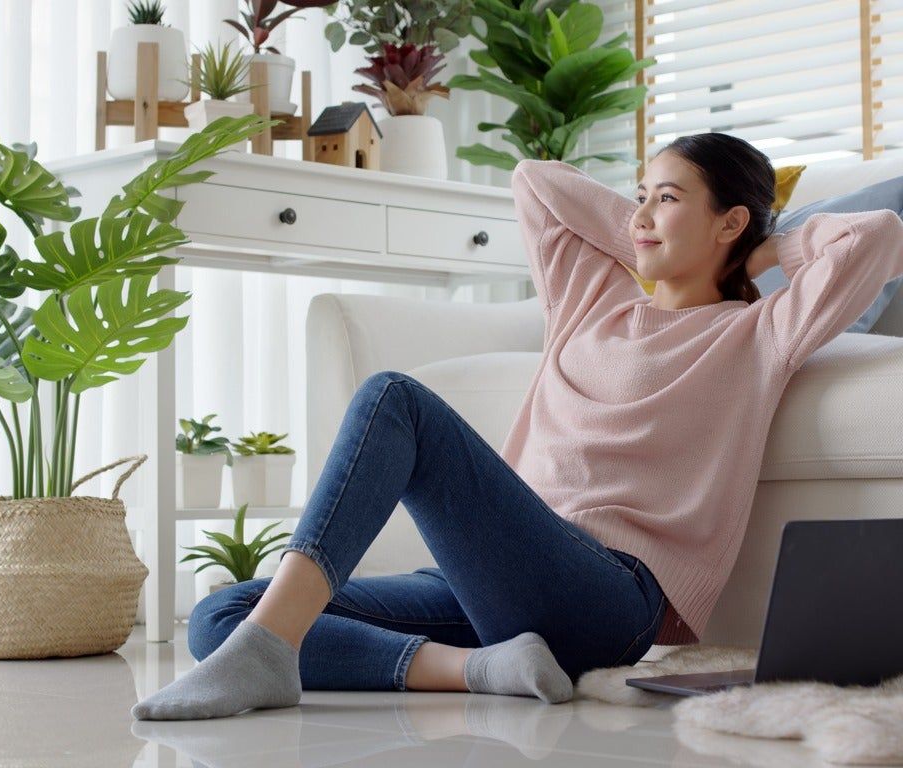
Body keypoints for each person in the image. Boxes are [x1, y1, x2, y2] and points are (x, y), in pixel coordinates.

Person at [132, 132, 903, 721]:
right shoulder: (591, 302)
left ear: (729, 220)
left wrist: (767, 244)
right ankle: (479, 669)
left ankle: (273, 655)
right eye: (639, 195)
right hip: (487, 583)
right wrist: (650, 225)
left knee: (393, 399)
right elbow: (537, 183)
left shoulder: (757, 333)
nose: (639, 215)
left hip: (608, 594)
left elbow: (877, 239)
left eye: (666, 199)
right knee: (220, 615)